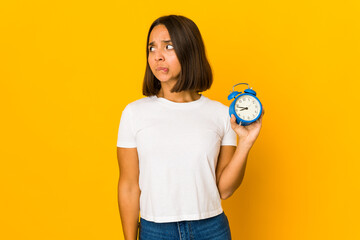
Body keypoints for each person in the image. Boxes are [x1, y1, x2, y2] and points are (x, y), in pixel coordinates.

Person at [117, 14, 264, 240]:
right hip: (156, 230)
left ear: (189, 50)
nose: (157, 57)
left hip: (211, 229)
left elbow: (224, 189)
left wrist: (246, 143)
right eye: (152, 48)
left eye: (169, 46)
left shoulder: (221, 114)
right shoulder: (134, 113)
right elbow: (128, 186)